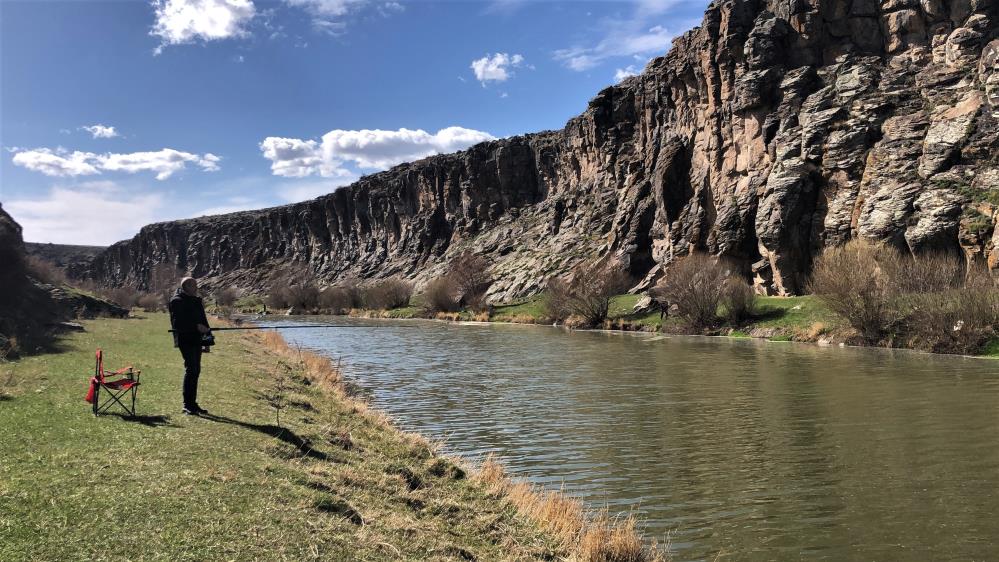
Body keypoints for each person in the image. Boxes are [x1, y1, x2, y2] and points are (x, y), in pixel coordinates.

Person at [168, 277, 211, 416]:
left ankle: (193, 404)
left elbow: (203, 322)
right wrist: (195, 326)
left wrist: (207, 341)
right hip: (185, 339)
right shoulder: (176, 301)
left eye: (196, 285)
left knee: (196, 370)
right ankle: (187, 405)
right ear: (185, 286)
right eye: (193, 285)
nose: (196, 287)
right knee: (191, 369)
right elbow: (178, 324)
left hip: (197, 339)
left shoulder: (196, 300)